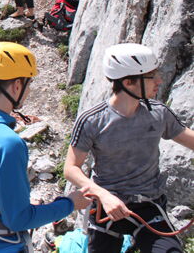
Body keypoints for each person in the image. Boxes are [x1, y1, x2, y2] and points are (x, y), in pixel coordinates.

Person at [0, 42, 90, 252]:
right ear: (16, 85)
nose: (29, 90)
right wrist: (69, 203)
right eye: (28, 84)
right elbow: (18, 219)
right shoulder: (7, 143)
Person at [64, 43, 193, 253]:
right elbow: (71, 168)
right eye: (151, 76)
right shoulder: (92, 120)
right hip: (107, 207)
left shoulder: (158, 113)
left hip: (148, 206)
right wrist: (103, 195)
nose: (159, 81)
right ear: (128, 82)